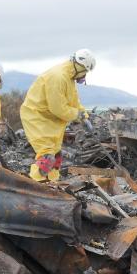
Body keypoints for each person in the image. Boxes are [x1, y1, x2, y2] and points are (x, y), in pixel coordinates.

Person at [20, 49, 96, 181]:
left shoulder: (69, 78)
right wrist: (77, 115)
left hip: (50, 120)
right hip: (37, 117)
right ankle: (35, 187)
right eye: (85, 72)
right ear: (80, 67)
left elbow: (74, 101)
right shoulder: (58, 77)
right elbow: (58, 108)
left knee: (56, 156)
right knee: (46, 158)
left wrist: (84, 115)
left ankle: (52, 185)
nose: (84, 76)